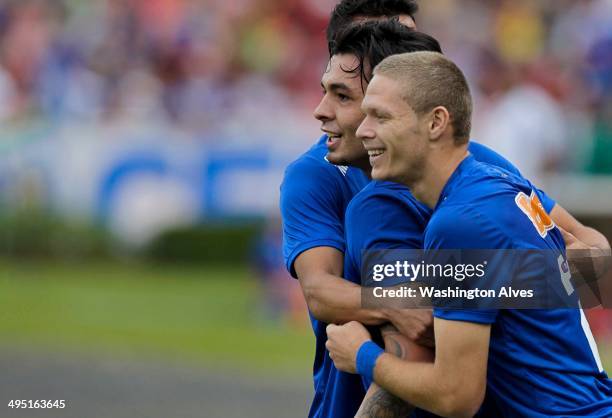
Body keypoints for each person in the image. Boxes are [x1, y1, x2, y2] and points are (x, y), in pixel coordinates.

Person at [326, 51, 612, 417]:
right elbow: (590, 260)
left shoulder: (459, 222)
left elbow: (456, 396)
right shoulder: (500, 183)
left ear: (436, 123)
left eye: (381, 116)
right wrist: (519, 277)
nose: (364, 130)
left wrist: (362, 355)